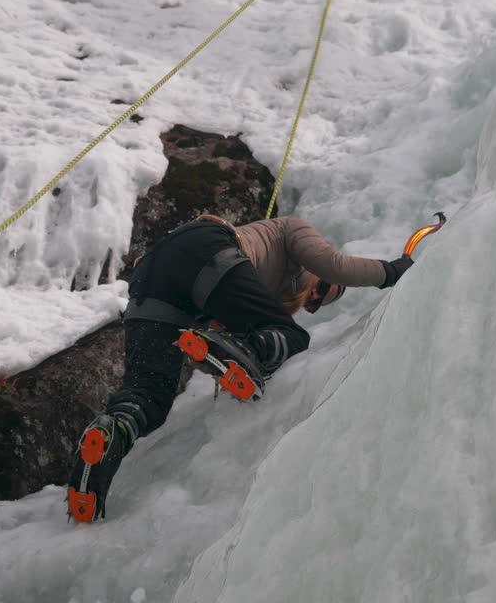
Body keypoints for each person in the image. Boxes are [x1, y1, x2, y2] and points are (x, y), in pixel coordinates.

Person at [66, 214, 414, 521]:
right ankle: (252, 351)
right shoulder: (290, 229)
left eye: (319, 303)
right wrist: (395, 271)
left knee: (148, 397)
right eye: (322, 287)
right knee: (290, 337)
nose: (315, 295)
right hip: (204, 248)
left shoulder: (251, 293)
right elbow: (336, 264)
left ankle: (108, 438)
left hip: (151, 276)